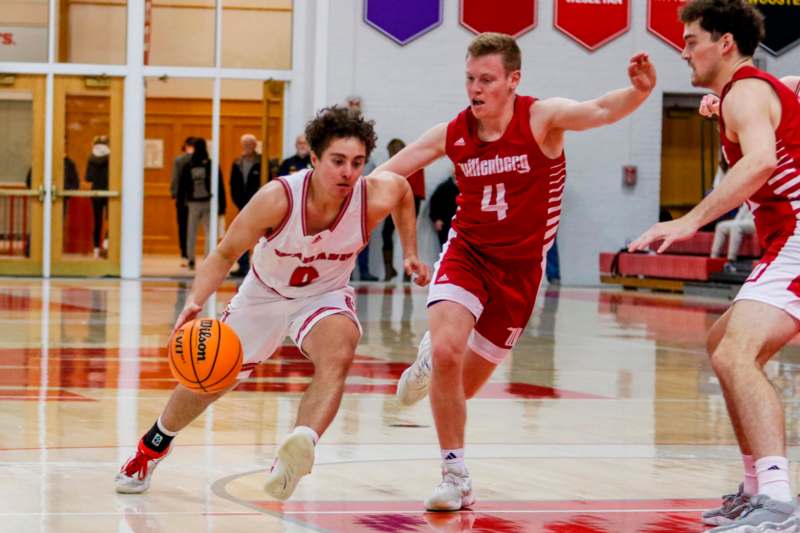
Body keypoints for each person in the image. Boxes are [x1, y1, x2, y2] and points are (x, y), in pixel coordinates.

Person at [377, 32, 656, 511]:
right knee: (448, 351)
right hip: (467, 253)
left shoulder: (541, 118)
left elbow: (601, 110)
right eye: (470, 79)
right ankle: (455, 475)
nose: (475, 88)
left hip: (521, 273)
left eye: (487, 79)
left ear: (513, 80)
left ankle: (429, 365)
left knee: (457, 389)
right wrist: (339, 202)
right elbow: (388, 174)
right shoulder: (453, 132)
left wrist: (639, 92)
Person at [114, 106, 430, 501]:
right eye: (337, 161)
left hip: (323, 295)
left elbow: (402, 191)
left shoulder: (371, 195)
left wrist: (411, 252)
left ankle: (298, 449)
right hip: (263, 295)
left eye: (357, 162)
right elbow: (224, 253)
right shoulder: (277, 199)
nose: (348, 172)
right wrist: (195, 302)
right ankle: (152, 446)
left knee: (340, 352)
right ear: (313, 159)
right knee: (209, 377)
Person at [628, 2, 800, 531]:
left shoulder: (747, 90)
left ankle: (777, 498)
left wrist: (690, 221)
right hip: (783, 241)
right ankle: (755, 488)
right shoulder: (747, 92)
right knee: (721, 346)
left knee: (735, 353)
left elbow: (762, 162)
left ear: (725, 43)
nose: (683, 50)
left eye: (692, 40)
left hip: (796, 238)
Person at [381, 138, 425, 280]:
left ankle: (408, 271)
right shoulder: (392, 165)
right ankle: (390, 270)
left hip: (410, 202)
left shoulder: (414, 163)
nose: (390, 155)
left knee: (406, 238)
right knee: (387, 234)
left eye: (392, 152)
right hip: (393, 201)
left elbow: (416, 191)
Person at [179, 138, 226, 270]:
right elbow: (219, 185)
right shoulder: (211, 164)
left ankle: (191, 260)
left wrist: (182, 203)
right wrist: (222, 206)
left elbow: (183, 185)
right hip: (208, 202)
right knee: (209, 232)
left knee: (191, 232)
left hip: (193, 203)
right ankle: (207, 259)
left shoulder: (188, 164)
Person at [229, 133, 262, 277]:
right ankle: (243, 266)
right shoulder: (237, 163)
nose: (248, 147)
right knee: (242, 237)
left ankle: (260, 268)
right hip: (242, 205)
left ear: (255, 145)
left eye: (250, 144)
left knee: (261, 237)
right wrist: (238, 202)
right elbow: (233, 185)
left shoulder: (262, 162)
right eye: (245, 144)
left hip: (260, 205)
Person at [171, 137, 195, 265]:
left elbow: (175, 178)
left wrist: (174, 193)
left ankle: (185, 253)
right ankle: (188, 253)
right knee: (190, 227)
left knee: (183, 226)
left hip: (182, 197)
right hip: (193, 197)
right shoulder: (199, 160)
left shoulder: (179, 160)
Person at [85, 135, 110, 259]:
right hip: (109, 191)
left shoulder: (91, 157)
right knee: (111, 220)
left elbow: (88, 177)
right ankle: (106, 243)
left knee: (97, 220)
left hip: (96, 192)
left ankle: (95, 248)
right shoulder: (111, 157)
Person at [711, 203, 755, 270]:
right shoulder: (748, 198)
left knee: (735, 226)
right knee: (720, 226)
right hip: (742, 222)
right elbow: (741, 212)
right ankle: (713, 257)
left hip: (754, 222)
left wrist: (735, 223)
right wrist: (735, 221)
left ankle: (731, 259)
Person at [428, 175, 459, 249]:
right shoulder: (444, 187)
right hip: (446, 224)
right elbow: (434, 202)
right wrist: (436, 219)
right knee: (446, 247)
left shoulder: (465, 189)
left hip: (459, 224)